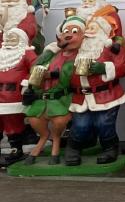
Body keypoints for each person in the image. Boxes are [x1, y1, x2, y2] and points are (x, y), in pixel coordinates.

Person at [64, 12, 125, 166]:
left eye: (94, 28)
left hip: (106, 95)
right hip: (81, 96)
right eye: (88, 28)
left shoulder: (111, 49)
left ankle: (110, 148)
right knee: (80, 125)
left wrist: (104, 68)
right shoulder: (76, 49)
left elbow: (123, 67)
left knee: (104, 123)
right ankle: (73, 147)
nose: (90, 31)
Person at [22, 16, 84, 164]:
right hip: (42, 98)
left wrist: (54, 75)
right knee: (34, 119)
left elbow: (74, 78)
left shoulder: (80, 57)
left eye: (74, 32)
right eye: (65, 31)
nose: (68, 35)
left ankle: (55, 144)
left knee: (59, 121)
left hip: (60, 99)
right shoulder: (50, 55)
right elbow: (34, 72)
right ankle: (43, 139)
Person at [0, 28, 36, 166]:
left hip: (13, 96)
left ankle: (16, 149)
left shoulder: (27, 53)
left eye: (13, 37)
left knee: (12, 123)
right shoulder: (1, 53)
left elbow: (36, 68)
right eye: (7, 37)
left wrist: (27, 82)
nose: (9, 40)